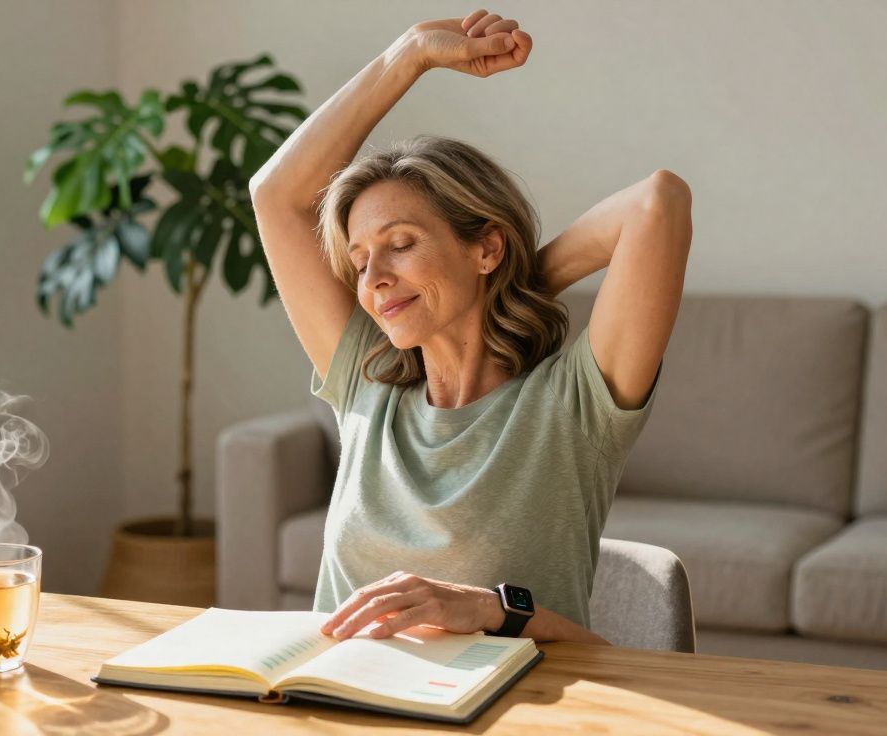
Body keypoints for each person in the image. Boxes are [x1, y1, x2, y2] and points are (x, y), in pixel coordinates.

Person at [249, 9, 692, 646]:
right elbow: (275, 197)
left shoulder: (572, 407)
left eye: (401, 244)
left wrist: (516, 275)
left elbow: (658, 203)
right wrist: (409, 56)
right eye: (359, 259)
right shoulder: (364, 385)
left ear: (485, 247)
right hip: (345, 705)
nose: (372, 278)